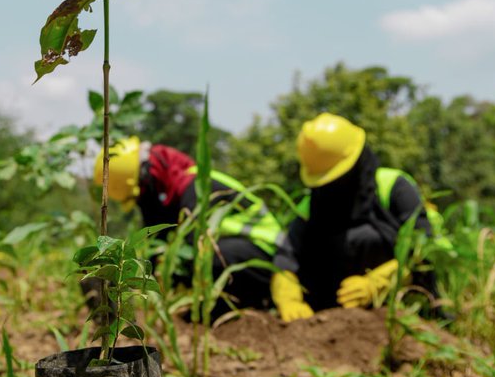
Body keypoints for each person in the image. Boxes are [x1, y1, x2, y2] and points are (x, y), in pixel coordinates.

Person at [270, 113, 446, 322]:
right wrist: (289, 299)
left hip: (401, 304)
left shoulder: (393, 187)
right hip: (331, 312)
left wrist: (377, 283)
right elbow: (285, 258)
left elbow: (425, 250)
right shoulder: (311, 207)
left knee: (365, 236)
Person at [94, 137, 284, 313]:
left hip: (271, 255)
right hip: (241, 251)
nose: (143, 203)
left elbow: (196, 245)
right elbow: (157, 248)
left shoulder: (196, 186)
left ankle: (241, 305)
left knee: (207, 258)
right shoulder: (166, 194)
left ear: (146, 179)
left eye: (141, 196)